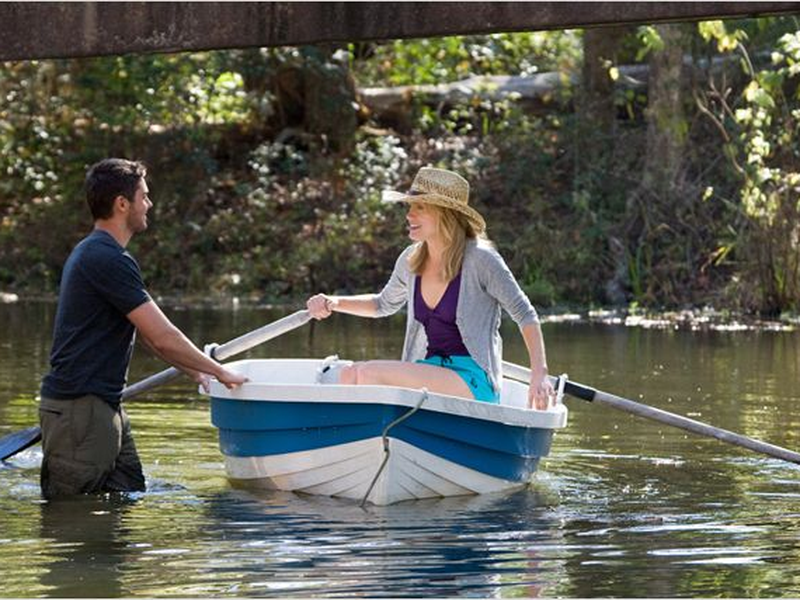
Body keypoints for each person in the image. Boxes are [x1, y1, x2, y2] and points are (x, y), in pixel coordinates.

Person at [38, 158, 247, 499]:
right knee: (73, 519)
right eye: (144, 196)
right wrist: (220, 372)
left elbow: (151, 336)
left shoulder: (100, 254)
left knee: (129, 498)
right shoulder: (106, 258)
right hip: (81, 411)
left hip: (103, 408)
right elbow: (165, 338)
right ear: (122, 204)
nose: (148, 204)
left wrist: (195, 372)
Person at [307, 166, 554, 409]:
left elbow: (524, 313)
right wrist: (334, 302)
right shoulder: (411, 259)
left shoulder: (481, 259)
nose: (409, 215)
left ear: (445, 214)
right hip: (429, 370)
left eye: (420, 207)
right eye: (410, 207)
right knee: (350, 374)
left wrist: (539, 374)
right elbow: (383, 304)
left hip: (472, 380)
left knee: (367, 373)